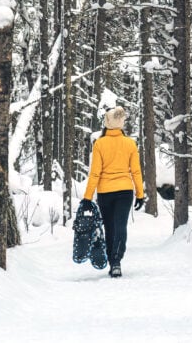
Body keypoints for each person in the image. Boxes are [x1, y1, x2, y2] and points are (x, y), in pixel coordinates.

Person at [80, 106, 144, 278]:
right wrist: (140, 194)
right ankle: (117, 260)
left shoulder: (100, 144)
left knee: (109, 227)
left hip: (105, 192)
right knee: (120, 226)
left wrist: (87, 197)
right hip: (125, 191)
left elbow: (95, 173)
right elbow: (136, 171)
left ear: (106, 123)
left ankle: (112, 261)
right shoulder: (130, 144)